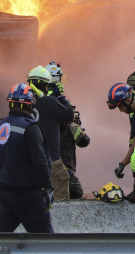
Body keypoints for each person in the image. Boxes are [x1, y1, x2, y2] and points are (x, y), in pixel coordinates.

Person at [0, 83, 53, 233]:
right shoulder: (30, 128)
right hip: (29, 195)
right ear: (30, 105)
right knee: (47, 243)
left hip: (5, 193)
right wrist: (47, 188)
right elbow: (40, 161)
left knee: (0, 239)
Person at [27, 66, 74, 201]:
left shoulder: (24, 103)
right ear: (46, 85)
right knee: (59, 204)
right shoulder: (50, 101)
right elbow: (69, 114)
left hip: (28, 162)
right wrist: (61, 95)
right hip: (51, 162)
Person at [46, 61, 90, 199]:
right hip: (61, 166)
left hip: (43, 163)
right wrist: (75, 127)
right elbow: (84, 142)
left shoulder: (40, 101)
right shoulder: (60, 102)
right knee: (76, 192)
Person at [60, 105, 90, 199]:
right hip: (64, 169)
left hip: (50, 167)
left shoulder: (48, 124)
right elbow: (84, 142)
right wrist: (78, 128)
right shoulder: (71, 126)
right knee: (76, 192)